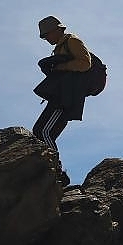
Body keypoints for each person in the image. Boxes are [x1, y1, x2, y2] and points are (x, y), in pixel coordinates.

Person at [32, 15, 92, 152]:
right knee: (39, 131)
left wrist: (60, 67)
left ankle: (54, 168)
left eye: (46, 35)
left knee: (43, 132)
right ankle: (50, 168)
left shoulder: (72, 41)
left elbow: (85, 63)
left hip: (66, 98)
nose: (46, 39)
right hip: (60, 96)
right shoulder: (60, 47)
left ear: (56, 30)